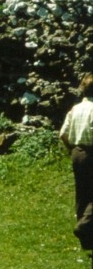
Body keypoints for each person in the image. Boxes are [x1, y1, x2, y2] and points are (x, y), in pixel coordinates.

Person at [59, 73, 93, 249]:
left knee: (82, 193)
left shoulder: (75, 109)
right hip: (91, 151)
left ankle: (86, 241)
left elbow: (63, 133)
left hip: (77, 152)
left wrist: (71, 148)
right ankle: (84, 225)